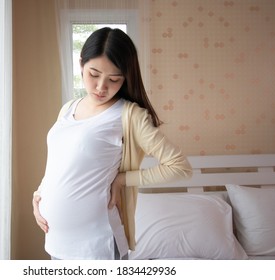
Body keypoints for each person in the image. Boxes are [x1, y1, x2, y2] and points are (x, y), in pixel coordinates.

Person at [32, 27, 192, 260]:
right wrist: (38, 195)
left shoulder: (130, 116)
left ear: (126, 78)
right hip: (56, 243)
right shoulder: (68, 108)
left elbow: (180, 167)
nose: (100, 87)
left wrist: (123, 179)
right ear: (81, 65)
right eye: (93, 74)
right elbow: (59, 164)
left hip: (98, 247)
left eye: (114, 79)